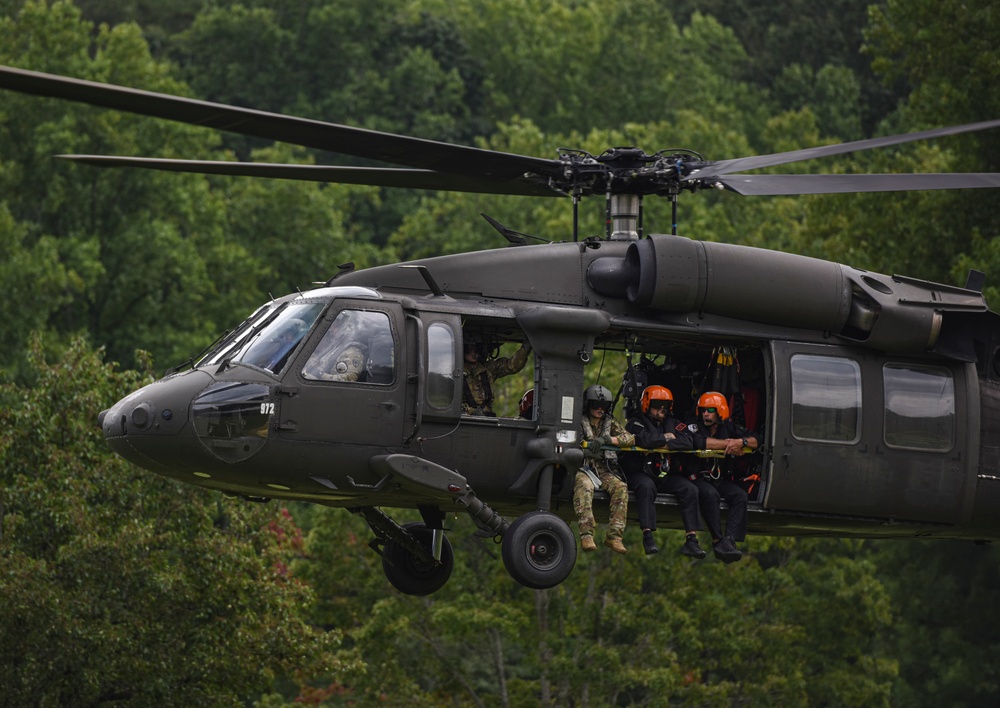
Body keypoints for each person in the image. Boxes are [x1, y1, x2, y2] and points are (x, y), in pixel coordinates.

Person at [621, 385, 706, 558]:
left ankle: (691, 540)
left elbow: (688, 441)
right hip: (641, 472)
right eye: (657, 404)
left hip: (665, 473)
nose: (662, 409)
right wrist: (666, 438)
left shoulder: (674, 423)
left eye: (666, 405)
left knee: (690, 489)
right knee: (646, 487)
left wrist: (659, 443)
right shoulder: (636, 422)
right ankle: (647, 535)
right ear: (646, 404)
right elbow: (644, 439)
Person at [685, 391, 759, 563]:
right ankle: (717, 539)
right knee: (711, 495)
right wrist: (730, 444)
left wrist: (742, 442)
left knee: (740, 496)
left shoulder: (729, 427)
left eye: (710, 410)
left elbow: (757, 439)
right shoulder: (693, 425)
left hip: (719, 479)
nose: (705, 414)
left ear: (720, 411)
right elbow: (699, 442)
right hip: (699, 478)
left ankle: (729, 540)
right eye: (703, 410)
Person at [575, 385, 634, 554]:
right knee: (585, 487)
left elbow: (629, 438)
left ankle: (614, 536)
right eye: (595, 404)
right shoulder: (578, 421)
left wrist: (607, 439)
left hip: (604, 469)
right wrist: (585, 451)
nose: (600, 409)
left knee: (621, 488)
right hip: (584, 467)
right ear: (588, 404)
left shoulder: (609, 423)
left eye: (604, 405)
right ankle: (586, 534)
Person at [462, 338, 531, 416]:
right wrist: (470, 411)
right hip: (464, 419)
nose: (474, 353)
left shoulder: (488, 369)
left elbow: (512, 365)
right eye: (469, 349)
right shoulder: (456, 372)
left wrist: (525, 349)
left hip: (487, 417)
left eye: (476, 348)